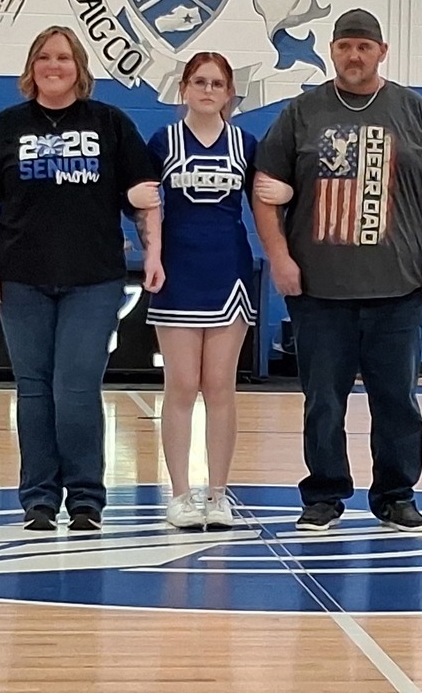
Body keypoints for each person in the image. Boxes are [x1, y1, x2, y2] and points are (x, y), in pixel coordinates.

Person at [251, 8, 422, 533]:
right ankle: (324, 495)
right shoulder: (302, 113)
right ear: (332, 51)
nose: (354, 55)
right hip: (319, 291)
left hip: (397, 289)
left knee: (397, 401)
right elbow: (264, 189)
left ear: (382, 52)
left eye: (364, 47)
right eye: (345, 46)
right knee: (322, 401)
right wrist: (280, 257)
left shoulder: (412, 111)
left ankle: (396, 494)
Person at [0, 25, 163, 533]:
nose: (55, 65)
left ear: (80, 68)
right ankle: (39, 500)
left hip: (93, 281)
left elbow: (144, 195)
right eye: (46, 57)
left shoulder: (110, 123)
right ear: (32, 68)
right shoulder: (7, 126)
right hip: (21, 280)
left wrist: (153, 250)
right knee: (33, 391)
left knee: (75, 388)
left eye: (65, 58)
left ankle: (87, 500)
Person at [130, 52, 257, 531]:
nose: (207, 90)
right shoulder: (162, 142)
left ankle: (219, 495)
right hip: (177, 272)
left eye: (217, 83)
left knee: (220, 387)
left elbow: (266, 205)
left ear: (229, 93)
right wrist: (152, 255)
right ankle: (181, 494)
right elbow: (146, 206)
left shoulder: (246, 145)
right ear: (183, 88)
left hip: (230, 273)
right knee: (181, 386)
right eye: (199, 81)